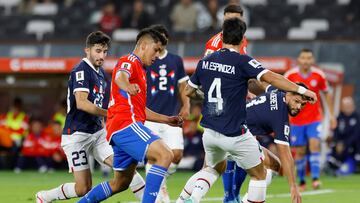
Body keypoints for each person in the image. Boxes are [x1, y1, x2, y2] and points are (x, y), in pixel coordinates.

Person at [177, 18, 316, 203]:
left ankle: (191, 198)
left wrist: (209, 96)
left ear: (222, 36)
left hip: (209, 132)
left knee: (211, 169)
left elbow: (188, 90)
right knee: (260, 174)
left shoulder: (205, 62)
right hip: (235, 134)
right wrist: (302, 90)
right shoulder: (242, 61)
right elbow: (271, 77)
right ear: (243, 40)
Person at [35, 31, 145, 203]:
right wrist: (110, 114)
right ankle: (45, 196)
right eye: (98, 50)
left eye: (105, 52)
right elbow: (82, 103)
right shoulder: (81, 70)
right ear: (87, 50)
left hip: (98, 134)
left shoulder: (102, 74)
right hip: (77, 135)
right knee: (82, 188)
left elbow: (106, 102)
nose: (102, 56)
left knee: (125, 167)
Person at [77, 27, 183, 203]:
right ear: (142, 45)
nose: (157, 55)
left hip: (120, 128)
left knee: (120, 183)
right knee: (165, 155)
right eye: (155, 50)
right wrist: (126, 86)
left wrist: (167, 119)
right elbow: (120, 75)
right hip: (125, 125)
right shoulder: (130, 60)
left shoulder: (142, 71)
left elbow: (140, 109)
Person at [144, 24, 190, 203]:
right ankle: (158, 194)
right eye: (156, 39)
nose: (160, 43)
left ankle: (159, 182)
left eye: (162, 39)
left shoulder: (176, 60)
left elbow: (182, 85)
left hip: (171, 117)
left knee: (176, 155)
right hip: (151, 117)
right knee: (156, 155)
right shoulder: (147, 59)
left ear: (167, 40)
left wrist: (186, 105)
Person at [284, 48, 337, 191]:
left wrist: (331, 116)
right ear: (299, 60)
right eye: (303, 58)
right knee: (300, 151)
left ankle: (315, 179)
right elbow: (284, 95)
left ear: (312, 60)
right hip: (296, 120)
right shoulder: (291, 75)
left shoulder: (318, 75)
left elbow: (327, 93)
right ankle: (301, 181)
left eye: (309, 58)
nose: (306, 61)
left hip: (314, 118)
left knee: (314, 144)